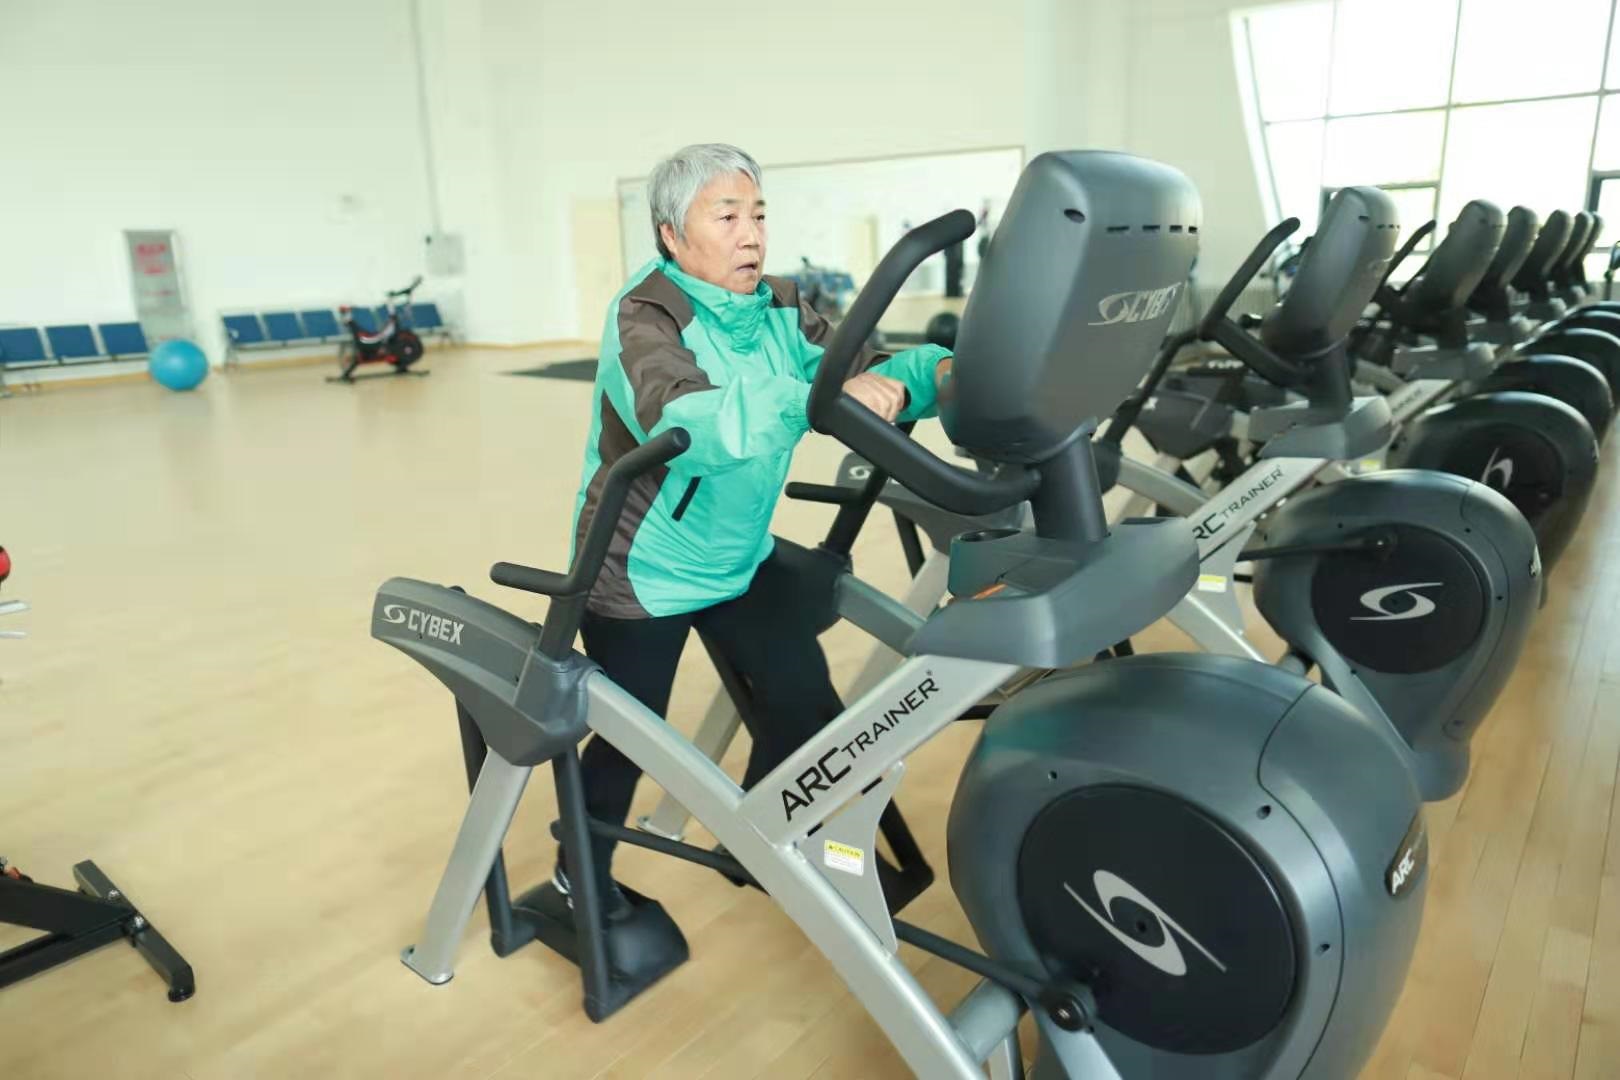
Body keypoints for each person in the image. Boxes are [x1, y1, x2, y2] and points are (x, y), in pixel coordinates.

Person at [555, 143, 954, 911]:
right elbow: (686, 420)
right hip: (641, 568)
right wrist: (810, 402)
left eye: (759, 215)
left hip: (737, 556)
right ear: (672, 235)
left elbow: (859, 366)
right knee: (634, 736)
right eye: (727, 216)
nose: (751, 235)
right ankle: (580, 870)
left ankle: (766, 833)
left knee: (801, 696)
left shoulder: (779, 307)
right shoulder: (645, 315)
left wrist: (939, 375)